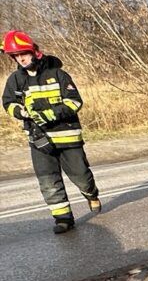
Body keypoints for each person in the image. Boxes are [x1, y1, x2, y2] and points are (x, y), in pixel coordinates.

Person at [2, 30, 101, 234]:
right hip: (39, 140)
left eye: (24, 53)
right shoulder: (15, 80)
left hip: (68, 137)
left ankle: (91, 194)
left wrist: (48, 114)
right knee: (48, 180)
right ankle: (63, 218)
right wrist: (20, 112)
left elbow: (74, 102)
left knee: (81, 175)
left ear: (34, 51)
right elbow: (8, 103)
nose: (20, 59)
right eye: (16, 55)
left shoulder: (58, 74)